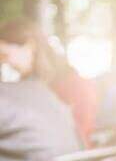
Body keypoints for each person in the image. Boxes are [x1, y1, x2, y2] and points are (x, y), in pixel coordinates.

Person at [0, 19, 97, 147]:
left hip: (60, 157)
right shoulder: (36, 86)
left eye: (4, 55)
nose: (3, 62)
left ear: (29, 46)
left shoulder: (69, 86)